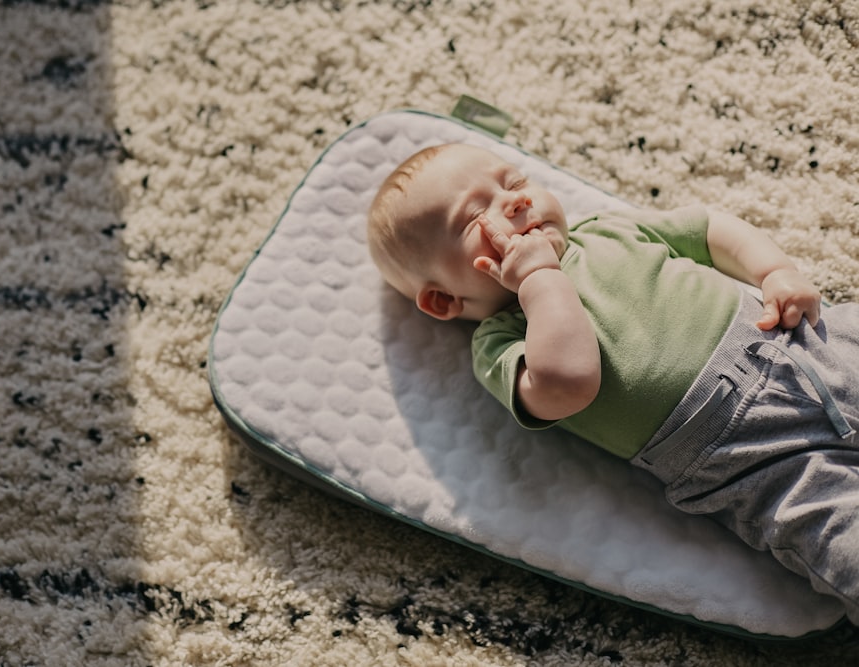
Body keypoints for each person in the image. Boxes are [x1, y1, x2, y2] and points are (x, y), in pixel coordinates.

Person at [367, 142, 859, 623]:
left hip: (807, 342)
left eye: (513, 182)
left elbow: (707, 229)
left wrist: (775, 271)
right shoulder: (500, 342)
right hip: (750, 458)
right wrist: (539, 280)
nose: (514, 200)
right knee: (841, 539)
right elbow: (567, 384)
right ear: (443, 301)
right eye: (476, 217)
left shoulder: (603, 231)